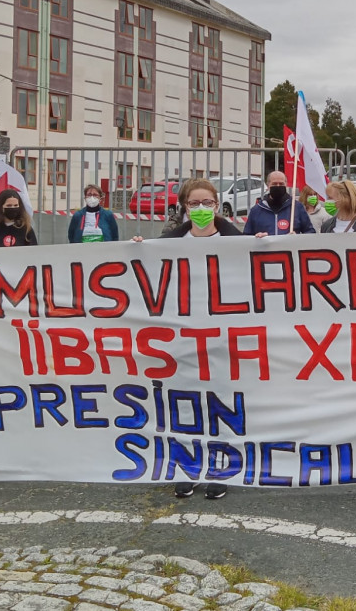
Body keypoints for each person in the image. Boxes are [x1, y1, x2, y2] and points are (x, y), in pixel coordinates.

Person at [132, 178, 243, 498]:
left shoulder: (239, 242)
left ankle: (222, 467)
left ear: (217, 205)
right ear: (184, 207)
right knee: (185, 402)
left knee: (221, 402)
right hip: (180, 339)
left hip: (222, 337)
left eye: (207, 203)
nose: (201, 209)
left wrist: (265, 245)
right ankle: (189, 466)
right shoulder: (167, 244)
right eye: (194, 204)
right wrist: (137, 249)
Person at [243, 170, 316, 236]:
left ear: (286, 184)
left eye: (281, 184)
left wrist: (297, 238)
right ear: (268, 185)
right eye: (274, 184)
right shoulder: (256, 210)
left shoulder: (297, 207)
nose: (278, 186)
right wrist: (257, 238)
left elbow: (310, 233)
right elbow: (246, 237)